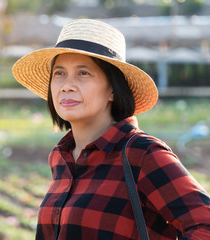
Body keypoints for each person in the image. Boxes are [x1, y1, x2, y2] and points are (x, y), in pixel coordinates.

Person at [12, 19, 210, 240]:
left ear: (112, 91)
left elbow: (205, 225)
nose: (66, 85)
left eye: (83, 73)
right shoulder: (61, 157)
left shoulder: (142, 154)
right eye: (59, 73)